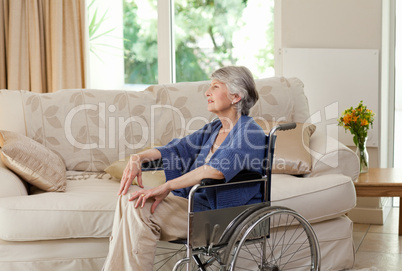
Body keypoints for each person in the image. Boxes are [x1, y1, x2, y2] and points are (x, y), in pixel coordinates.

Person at [102, 66, 267, 270]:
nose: (207, 92)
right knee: (130, 198)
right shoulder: (215, 128)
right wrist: (139, 157)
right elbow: (179, 148)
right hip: (193, 205)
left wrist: (167, 186)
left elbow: (215, 170)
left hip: (219, 216)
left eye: (215, 87)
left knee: (138, 208)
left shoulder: (250, 132)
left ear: (235, 96)